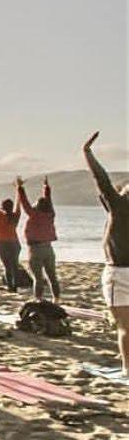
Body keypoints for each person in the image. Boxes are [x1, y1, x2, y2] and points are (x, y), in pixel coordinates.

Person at [83, 131, 129, 373]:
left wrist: (87, 153)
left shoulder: (119, 206)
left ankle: (127, 369)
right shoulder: (117, 208)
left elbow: (101, 180)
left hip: (119, 274)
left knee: (123, 326)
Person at [17, 176, 60, 301]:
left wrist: (20, 188)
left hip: (35, 249)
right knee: (52, 276)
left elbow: (24, 203)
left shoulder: (34, 214)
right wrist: (46, 188)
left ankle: (39, 299)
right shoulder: (50, 215)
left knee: (38, 278)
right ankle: (56, 299)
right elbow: (49, 201)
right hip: (48, 248)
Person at [0, 185, 22, 292]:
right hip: (14, 243)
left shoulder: (0, 215)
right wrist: (18, 189)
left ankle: (10, 286)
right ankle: (15, 285)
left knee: (7, 267)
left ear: (3, 207)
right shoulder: (15, 216)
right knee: (14, 266)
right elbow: (19, 203)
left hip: (3, 244)